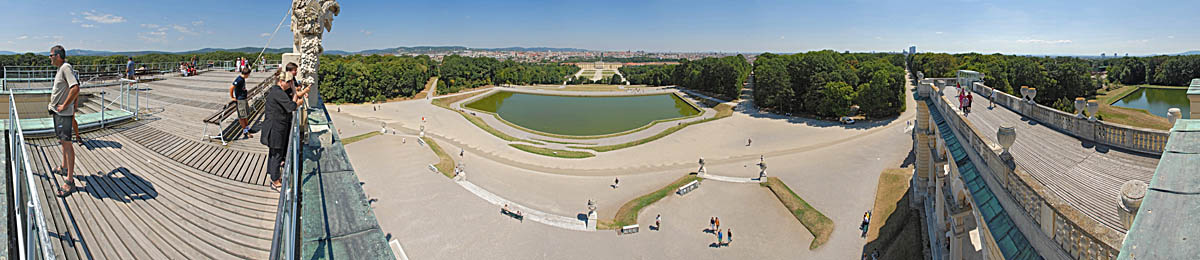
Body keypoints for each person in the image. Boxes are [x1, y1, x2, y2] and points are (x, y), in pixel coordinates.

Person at [261, 67, 311, 190]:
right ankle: (275, 181)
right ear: (281, 81)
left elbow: (290, 105)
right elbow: (291, 106)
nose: (290, 84)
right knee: (276, 155)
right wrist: (297, 101)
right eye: (288, 82)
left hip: (276, 127)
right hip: (275, 129)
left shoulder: (277, 91)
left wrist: (294, 91)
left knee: (274, 154)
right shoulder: (278, 93)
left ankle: (273, 173)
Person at [49, 45, 81, 196]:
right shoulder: (61, 69)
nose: (49, 58)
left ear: (58, 56)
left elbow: (75, 88)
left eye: (51, 55)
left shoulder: (66, 67)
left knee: (67, 144)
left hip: (64, 114)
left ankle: (70, 181)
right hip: (59, 113)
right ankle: (64, 167)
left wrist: (65, 105)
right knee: (63, 141)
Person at [230, 67, 253, 138]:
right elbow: (232, 87)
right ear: (247, 74)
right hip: (240, 100)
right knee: (242, 116)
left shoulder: (243, 79)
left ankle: (247, 127)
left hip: (244, 98)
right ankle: (245, 130)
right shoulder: (239, 79)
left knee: (245, 114)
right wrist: (232, 97)